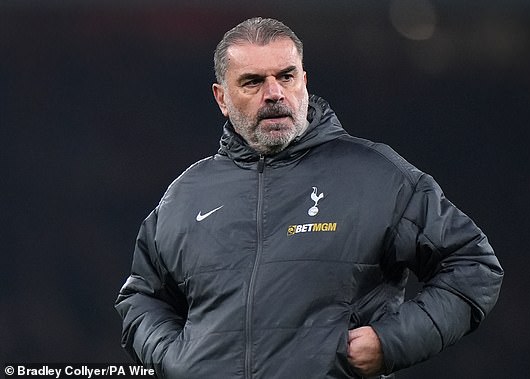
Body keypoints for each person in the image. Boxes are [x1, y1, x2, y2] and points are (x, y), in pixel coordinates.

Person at [115, 17, 503, 379]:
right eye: (252, 82)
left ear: (304, 80)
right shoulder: (186, 193)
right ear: (222, 98)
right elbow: (142, 298)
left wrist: (389, 343)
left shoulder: (376, 175)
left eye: (286, 76)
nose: (274, 93)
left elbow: (473, 267)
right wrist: (173, 360)